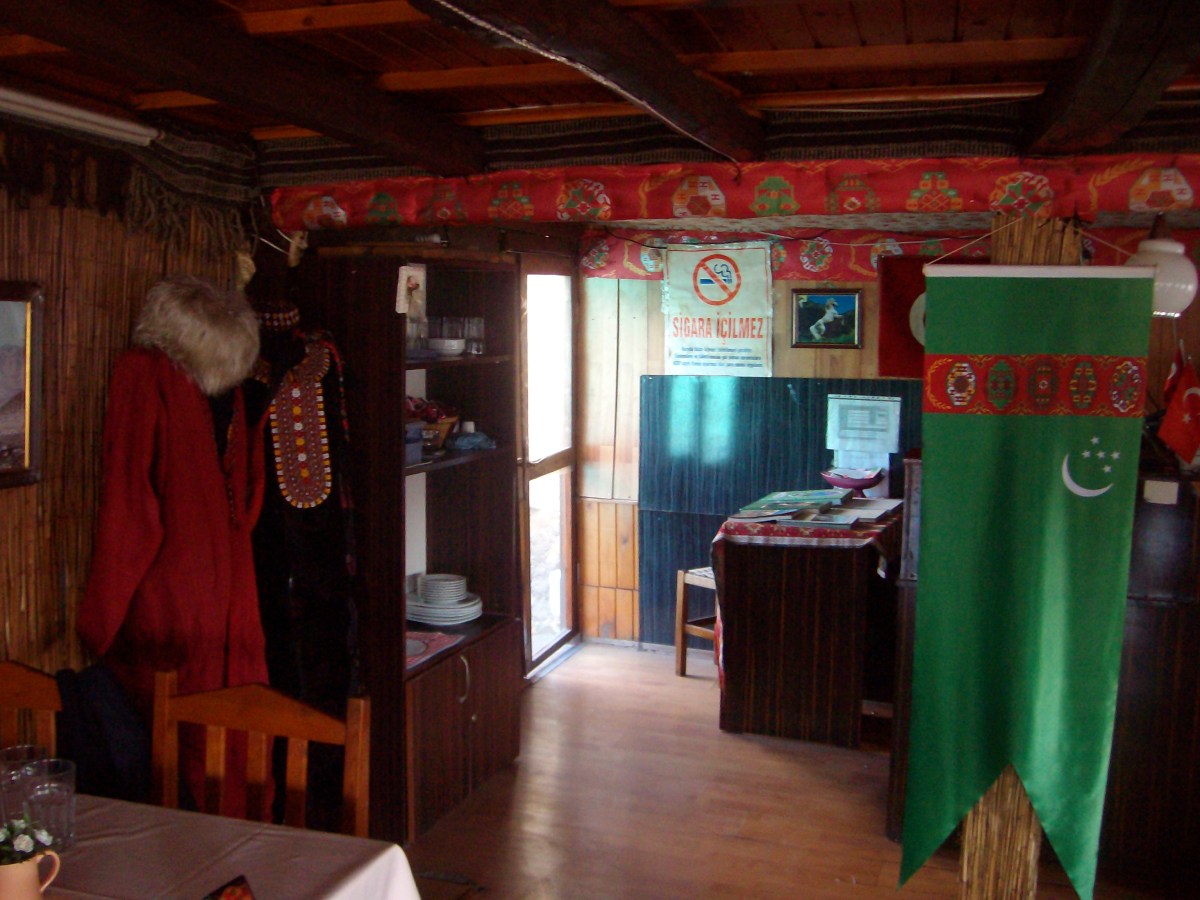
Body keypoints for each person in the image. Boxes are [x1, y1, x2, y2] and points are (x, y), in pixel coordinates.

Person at [79, 274, 268, 818]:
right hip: (232, 583)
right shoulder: (230, 391)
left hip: (172, 589)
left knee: (175, 730)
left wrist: (99, 621)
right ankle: (245, 841)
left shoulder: (144, 374)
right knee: (229, 721)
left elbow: (130, 503)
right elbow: (247, 499)